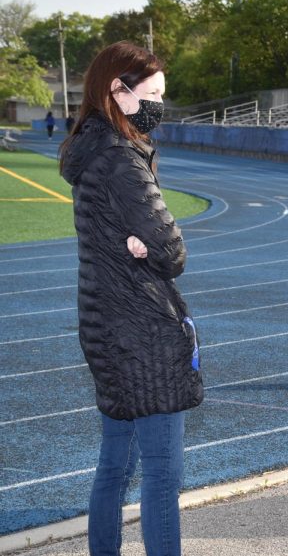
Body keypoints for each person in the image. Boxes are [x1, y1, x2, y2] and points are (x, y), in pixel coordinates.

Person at [59, 41, 202, 556]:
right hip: (142, 330)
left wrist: (148, 246)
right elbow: (171, 251)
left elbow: (148, 244)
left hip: (102, 325)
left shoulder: (92, 151)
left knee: (114, 466)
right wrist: (152, 248)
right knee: (163, 475)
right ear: (118, 92)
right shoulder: (122, 158)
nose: (161, 103)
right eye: (155, 93)